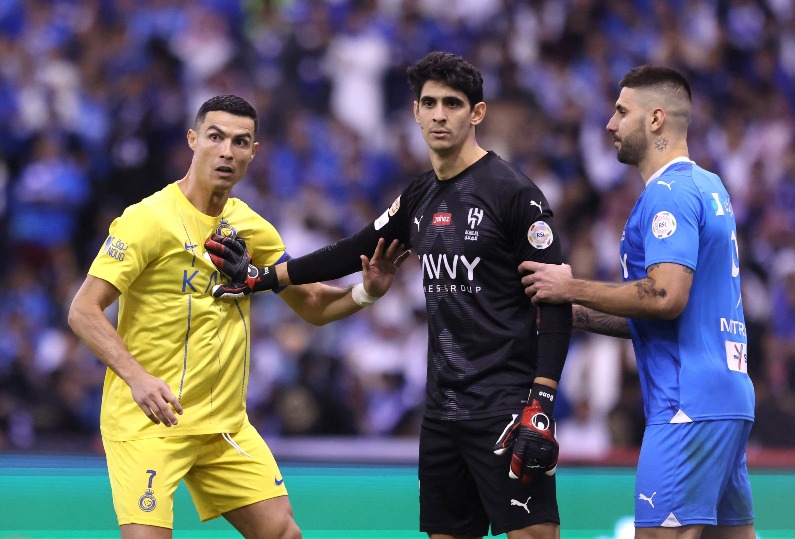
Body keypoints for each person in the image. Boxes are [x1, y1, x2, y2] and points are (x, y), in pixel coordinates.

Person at [205, 52, 572, 539]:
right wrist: (263, 278)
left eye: (453, 104)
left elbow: (556, 300)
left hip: (505, 407)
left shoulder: (514, 194)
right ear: (415, 112)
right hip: (441, 413)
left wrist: (542, 399)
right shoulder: (419, 196)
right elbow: (355, 249)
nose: (439, 114)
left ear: (476, 114)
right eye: (429, 103)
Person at [67, 95, 404, 539]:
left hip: (222, 427)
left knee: (283, 534)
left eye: (240, 141)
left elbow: (312, 305)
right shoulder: (146, 221)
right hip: (148, 420)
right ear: (193, 140)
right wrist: (137, 378)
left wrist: (366, 292)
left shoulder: (250, 227)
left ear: (253, 152)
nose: (227, 150)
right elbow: (83, 310)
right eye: (215, 137)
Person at [519, 65, 756, 538]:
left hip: (685, 403)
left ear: (655, 120)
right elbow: (663, 313)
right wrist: (574, 313)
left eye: (621, 111)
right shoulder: (710, 187)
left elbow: (666, 296)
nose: (610, 124)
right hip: (726, 396)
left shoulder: (667, 196)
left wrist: (571, 287)